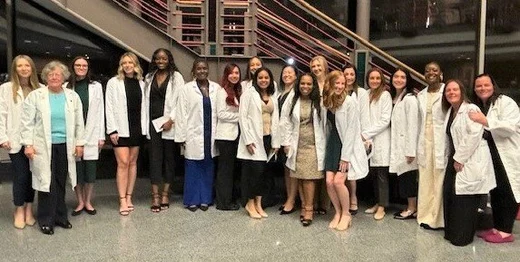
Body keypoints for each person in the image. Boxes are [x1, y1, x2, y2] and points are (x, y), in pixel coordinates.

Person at [20, 61, 85, 235]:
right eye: (51, 75)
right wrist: (28, 144)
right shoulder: (36, 96)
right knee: (45, 183)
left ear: (64, 77)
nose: (55, 77)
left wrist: (79, 143)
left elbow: (79, 123)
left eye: (58, 74)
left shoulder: (72, 96)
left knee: (60, 182)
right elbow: (27, 122)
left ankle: (60, 217)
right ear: (46, 77)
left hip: (65, 146)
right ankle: (45, 219)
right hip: (43, 147)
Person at [441, 79, 496, 246]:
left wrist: (460, 158)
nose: (451, 92)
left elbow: (474, 135)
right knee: (451, 195)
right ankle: (451, 233)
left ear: (462, 91)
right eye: (448, 90)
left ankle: (462, 237)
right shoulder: (451, 110)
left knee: (464, 200)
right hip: (455, 158)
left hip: (467, 159)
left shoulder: (470, 109)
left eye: (455, 89)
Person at [470, 73, 520, 243]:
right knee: (496, 191)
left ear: (493, 86)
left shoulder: (505, 102)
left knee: (507, 191)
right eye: (478, 86)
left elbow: (510, 128)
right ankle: (497, 227)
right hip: (490, 154)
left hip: (506, 154)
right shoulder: (480, 105)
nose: (482, 88)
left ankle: (506, 231)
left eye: (486, 85)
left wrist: (484, 120)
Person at [322, 70, 367, 230]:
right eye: (337, 83)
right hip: (332, 144)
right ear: (331, 84)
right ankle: (338, 212)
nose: (340, 86)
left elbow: (351, 130)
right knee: (328, 181)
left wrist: (345, 157)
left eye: (343, 83)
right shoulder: (327, 101)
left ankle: (346, 214)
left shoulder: (349, 102)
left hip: (345, 146)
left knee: (339, 181)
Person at [0, 55, 41, 229]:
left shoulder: (40, 89)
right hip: (15, 140)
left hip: (35, 141)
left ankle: (29, 209)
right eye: (20, 66)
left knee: (32, 177)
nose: (24, 69)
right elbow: (1, 113)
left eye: (27, 66)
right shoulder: (6, 88)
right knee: (20, 176)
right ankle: (18, 209)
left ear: (32, 68)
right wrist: (3, 137)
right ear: (14, 69)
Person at [281, 73, 326, 226]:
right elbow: (285, 121)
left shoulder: (319, 101)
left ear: (313, 85)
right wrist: (286, 143)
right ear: (298, 84)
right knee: (299, 176)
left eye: (308, 84)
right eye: (303, 84)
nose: (305, 87)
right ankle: (304, 207)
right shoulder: (293, 99)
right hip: (297, 144)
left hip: (313, 145)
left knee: (308, 178)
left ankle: (308, 209)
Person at [143, 48, 184, 213]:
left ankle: (165, 193)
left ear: (169, 60)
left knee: (169, 160)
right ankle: (155, 196)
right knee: (154, 160)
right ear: (154, 60)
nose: (161, 61)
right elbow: (146, 102)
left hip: (168, 124)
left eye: (164, 58)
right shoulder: (148, 77)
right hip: (153, 124)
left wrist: (171, 119)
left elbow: (181, 102)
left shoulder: (177, 77)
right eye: (158, 59)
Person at [106, 52, 146, 216]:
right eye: (124, 63)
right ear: (121, 66)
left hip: (137, 127)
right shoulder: (113, 83)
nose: (127, 65)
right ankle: (122, 199)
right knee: (123, 163)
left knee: (132, 162)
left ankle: (129, 196)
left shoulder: (142, 83)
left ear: (135, 65)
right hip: (120, 128)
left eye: (130, 62)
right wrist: (112, 129)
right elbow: (109, 106)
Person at [175, 59, 218, 212]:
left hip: (210, 134)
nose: (202, 71)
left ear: (208, 70)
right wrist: (181, 138)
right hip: (192, 134)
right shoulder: (186, 89)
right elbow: (181, 114)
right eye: (198, 68)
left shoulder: (216, 88)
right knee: (193, 167)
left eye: (204, 68)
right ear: (193, 71)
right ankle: (192, 200)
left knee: (208, 166)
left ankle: (206, 199)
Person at [237, 67, 280, 219]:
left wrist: (276, 142)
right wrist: (248, 140)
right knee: (254, 174)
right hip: (254, 140)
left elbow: (276, 119)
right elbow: (242, 118)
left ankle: (259, 204)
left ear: (270, 80)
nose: (263, 80)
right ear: (256, 79)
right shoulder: (249, 94)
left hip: (268, 138)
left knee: (264, 174)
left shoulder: (273, 95)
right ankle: (250, 203)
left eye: (266, 78)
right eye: (260, 78)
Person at [66, 56, 105, 217]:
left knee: (90, 172)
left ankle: (88, 201)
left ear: (88, 68)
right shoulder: (66, 87)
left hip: (92, 133)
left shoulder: (96, 86)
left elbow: (100, 112)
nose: (81, 67)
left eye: (84, 65)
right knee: (77, 172)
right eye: (78, 65)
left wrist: (101, 136)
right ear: (73, 67)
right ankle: (80, 201)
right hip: (73, 135)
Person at [416, 62, 446, 230]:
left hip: (441, 141)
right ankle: (425, 216)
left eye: (434, 70)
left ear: (441, 73)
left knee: (439, 179)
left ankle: (438, 218)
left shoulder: (447, 91)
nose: (431, 73)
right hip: (425, 140)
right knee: (426, 179)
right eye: (427, 71)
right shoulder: (420, 94)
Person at [389, 68, 419, 220]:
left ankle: (412, 209)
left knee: (408, 177)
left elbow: (413, 126)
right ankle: (410, 206)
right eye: (396, 76)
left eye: (402, 77)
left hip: (407, 147)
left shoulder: (410, 99)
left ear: (408, 80)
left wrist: (410, 150)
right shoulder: (396, 98)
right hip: (398, 144)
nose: (399, 79)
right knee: (404, 177)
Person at [362, 68, 392, 220]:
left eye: (377, 78)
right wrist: (365, 136)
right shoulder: (366, 94)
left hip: (381, 139)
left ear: (382, 80)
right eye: (371, 78)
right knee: (373, 174)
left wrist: (366, 134)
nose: (374, 81)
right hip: (368, 140)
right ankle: (377, 202)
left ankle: (382, 206)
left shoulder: (385, 95)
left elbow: (385, 120)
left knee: (381, 174)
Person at [342, 64, 370, 215]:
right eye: (346, 74)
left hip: (356, 135)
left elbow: (364, 116)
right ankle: (343, 198)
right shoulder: (338, 91)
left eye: (352, 74)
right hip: (341, 134)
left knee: (352, 170)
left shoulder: (361, 93)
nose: (349, 77)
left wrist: (364, 136)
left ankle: (353, 198)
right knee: (342, 170)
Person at [215, 63, 242, 211]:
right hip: (225, 137)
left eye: (237, 73)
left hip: (235, 136)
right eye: (231, 73)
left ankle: (230, 198)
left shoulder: (237, 91)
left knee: (232, 170)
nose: (234, 75)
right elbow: (221, 114)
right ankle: (223, 203)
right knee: (225, 171)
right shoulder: (222, 92)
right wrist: (240, 117)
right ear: (226, 75)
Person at [309, 55, 330, 215]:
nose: (316, 68)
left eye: (319, 65)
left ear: (324, 66)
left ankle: (325, 203)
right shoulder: (310, 84)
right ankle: (313, 202)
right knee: (315, 167)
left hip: (330, 128)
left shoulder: (331, 82)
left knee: (327, 167)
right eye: (313, 66)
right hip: (314, 129)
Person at [277, 64, 299, 215]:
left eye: (290, 72)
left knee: (292, 169)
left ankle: (292, 200)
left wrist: (287, 141)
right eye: (285, 72)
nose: (287, 75)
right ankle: (288, 198)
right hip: (281, 137)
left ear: (296, 76)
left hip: (290, 138)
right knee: (286, 169)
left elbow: (291, 119)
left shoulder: (295, 94)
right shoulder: (280, 93)